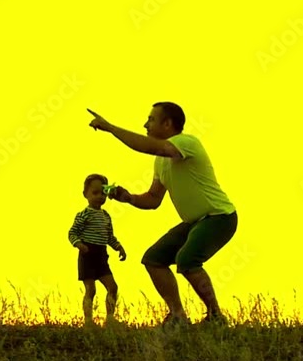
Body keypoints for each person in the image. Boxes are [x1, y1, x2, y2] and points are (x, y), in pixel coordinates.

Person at [87, 103, 238, 327]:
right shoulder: (161, 161)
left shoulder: (186, 143)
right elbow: (153, 199)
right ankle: (178, 316)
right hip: (194, 222)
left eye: (151, 119)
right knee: (153, 259)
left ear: (167, 124)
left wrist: (111, 128)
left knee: (187, 260)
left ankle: (216, 317)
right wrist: (128, 197)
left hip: (219, 217)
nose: (145, 124)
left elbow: (149, 147)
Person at [68, 173, 127, 326]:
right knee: (91, 289)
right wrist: (78, 244)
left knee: (112, 287)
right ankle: (88, 320)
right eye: (95, 193)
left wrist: (119, 247)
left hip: (101, 256)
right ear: (85, 194)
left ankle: (110, 318)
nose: (99, 197)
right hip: (87, 255)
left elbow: (109, 236)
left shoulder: (106, 216)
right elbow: (72, 232)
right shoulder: (84, 215)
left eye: (103, 193)